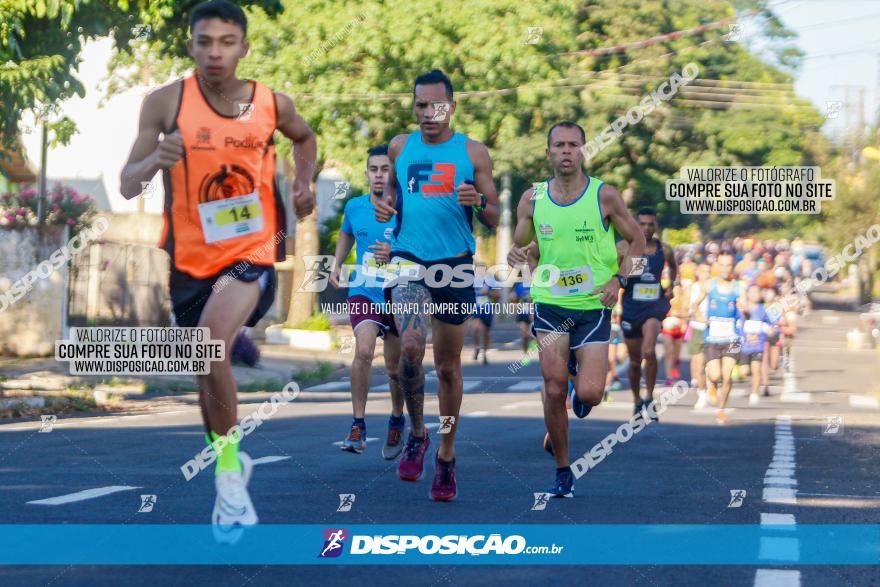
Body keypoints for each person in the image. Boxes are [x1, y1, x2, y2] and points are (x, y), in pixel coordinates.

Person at [119, 0, 316, 536]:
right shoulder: (165, 104)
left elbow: (305, 138)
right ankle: (228, 460)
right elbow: (126, 183)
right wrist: (153, 161)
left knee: (210, 343)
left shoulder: (271, 105)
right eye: (204, 41)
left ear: (244, 48)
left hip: (251, 249)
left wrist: (304, 184)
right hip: (187, 260)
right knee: (206, 365)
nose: (215, 52)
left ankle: (229, 472)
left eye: (227, 42)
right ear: (190, 45)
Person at [374, 69, 500, 501]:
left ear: (453, 106)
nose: (428, 113)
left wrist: (479, 201)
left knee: (447, 368)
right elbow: (390, 197)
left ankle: (445, 454)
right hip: (408, 260)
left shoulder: (473, 152)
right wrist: (384, 207)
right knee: (409, 349)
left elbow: (495, 215)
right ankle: (416, 432)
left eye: (437, 105)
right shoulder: (399, 147)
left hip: (456, 265)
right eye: (420, 105)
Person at [508, 120, 644, 497]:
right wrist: (516, 252)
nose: (566, 151)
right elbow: (521, 245)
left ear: (583, 151)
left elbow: (638, 240)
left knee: (590, 395)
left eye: (573, 145)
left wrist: (619, 280)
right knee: (552, 389)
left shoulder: (605, 196)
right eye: (559, 145)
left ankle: (575, 381)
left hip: (593, 306)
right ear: (548, 152)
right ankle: (563, 469)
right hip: (551, 303)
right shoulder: (532, 198)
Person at [330, 145, 406, 459]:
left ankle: (397, 419)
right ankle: (358, 424)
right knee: (363, 351)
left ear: (393, 173)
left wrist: (396, 254)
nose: (378, 175)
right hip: (364, 290)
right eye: (373, 169)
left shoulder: (406, 208)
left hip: (400, 291)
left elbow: (421, 245)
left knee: (394, 367)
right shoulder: (355, 207)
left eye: (384, 169)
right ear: (366, 174)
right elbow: (347, 234)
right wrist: (337, 261)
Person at [619, 208, 677, 419]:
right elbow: (611, 273)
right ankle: (637, 400)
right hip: (631, 307)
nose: (646, 228)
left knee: (649, 351)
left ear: (656, 226)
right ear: (635, 225)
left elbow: (673, 268)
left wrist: (671, 286)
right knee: (635, 361)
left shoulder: (665, 249)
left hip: (654, 306)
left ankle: (650, 396)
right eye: (642, 224)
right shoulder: (624, 248)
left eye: (650, 224)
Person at [693, 253, 745, 424]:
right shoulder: (709, 285)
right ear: (717, 266)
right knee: (715, 375)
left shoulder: (739, 287)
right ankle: (712, 383)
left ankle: (721, 410)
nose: (725, 269)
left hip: (732, 338)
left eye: (728, 265)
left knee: (727, 375)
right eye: (722, 265)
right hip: (712, 338)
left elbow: (746, 307)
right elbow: (695, 305)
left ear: (732, 267)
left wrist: (743, 308)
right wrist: (701, 317)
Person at [738, 284, 775, 405]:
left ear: (760, 295)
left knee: (756, 370)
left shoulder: (763, 310)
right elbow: (737, 325)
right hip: (744, 346)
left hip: (758, 346)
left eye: (756, 292)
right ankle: (744, 373)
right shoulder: (742, 309)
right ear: (747, 294)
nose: (754, 295)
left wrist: (768, 329)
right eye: (752, 292)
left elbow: (771, 326)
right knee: (743, 372)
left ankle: (754, 393)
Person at [688, 262, 711, 407]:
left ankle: (711, 386)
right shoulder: (694, 287)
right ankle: (702, 393)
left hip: (714, 329)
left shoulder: (715, 286)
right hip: (697, 328)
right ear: (697, 272)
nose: (706, 274)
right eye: (703, 271)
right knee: (699, 364)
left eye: (708, 271)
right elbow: (690, 307)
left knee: (713, 366)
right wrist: (699, 316)